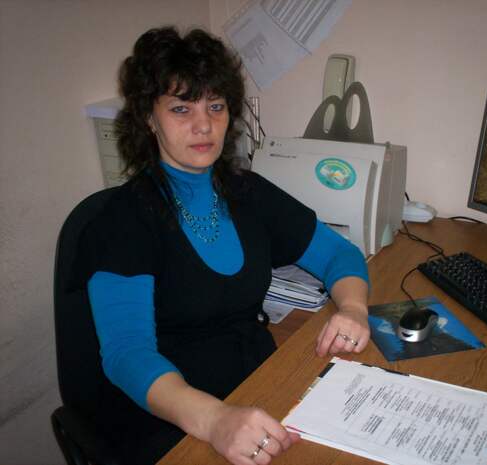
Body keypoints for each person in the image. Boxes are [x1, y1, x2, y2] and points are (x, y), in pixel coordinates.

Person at [77, 26, 370, 465]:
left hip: (257, 383)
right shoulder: (122, 221)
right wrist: (214, 420)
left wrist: (353, 309)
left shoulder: (245, 191)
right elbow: (127, 355)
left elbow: (339, 254)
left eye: (215, 106)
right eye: (181, 108)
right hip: (172, 415)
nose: (204, 125)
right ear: (148, 118)